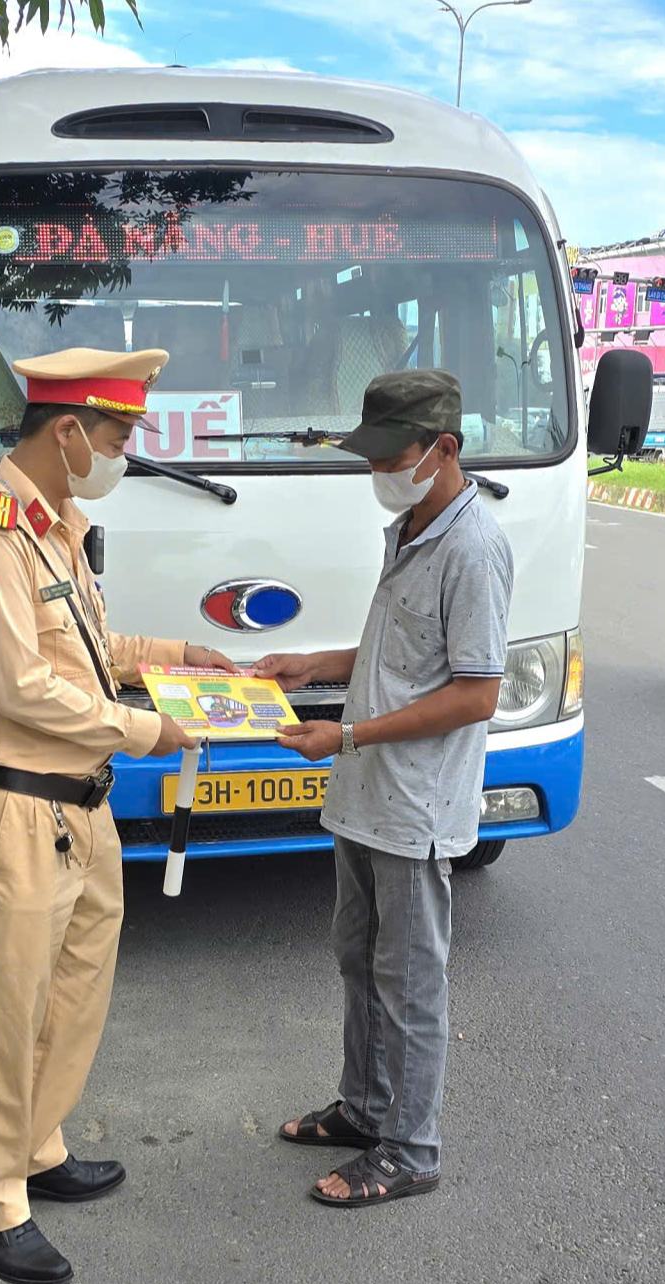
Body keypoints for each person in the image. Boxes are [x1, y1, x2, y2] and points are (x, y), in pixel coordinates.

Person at [0, 346, 240, 1284]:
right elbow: (24, 689)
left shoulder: (54, 525)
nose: (121, 455)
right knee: (5, 1013)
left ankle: (36, 1148)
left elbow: (93, 646)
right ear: (67, 431)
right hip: (14, 814)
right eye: (115, 436)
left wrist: (185, 655)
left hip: (80, 812)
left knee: (71, 1000)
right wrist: (146, 731)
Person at [258, 369, 513, 1210]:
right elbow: (395, 653)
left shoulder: (474, 547)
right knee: (358, 959)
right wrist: (315, 663)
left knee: (409, 980)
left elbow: (476, 691)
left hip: (414, 803)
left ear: (443, 449)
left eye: (391, 455)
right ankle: (365, 1111)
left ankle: (410, 1146)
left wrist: (349, 733)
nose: (379, 472)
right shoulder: (409, 525)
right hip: (366, 792)